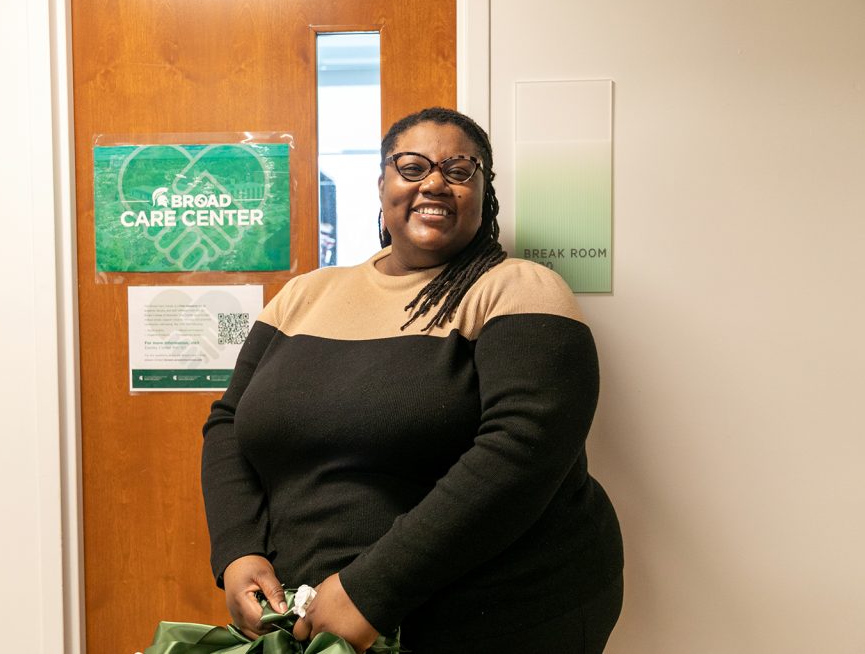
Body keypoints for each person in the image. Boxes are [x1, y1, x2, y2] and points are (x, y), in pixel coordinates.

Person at [201, 107, 624, 653]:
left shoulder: (520, 289)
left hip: (496, 617)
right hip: (315, 619)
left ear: (483, 191)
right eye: (412, 166)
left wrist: (370, 591)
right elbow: (229, 425)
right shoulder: (305, 295)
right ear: (382, 184)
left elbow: (523, 453)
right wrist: (238, 553)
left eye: (458, 169)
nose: (434, 183)